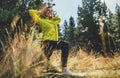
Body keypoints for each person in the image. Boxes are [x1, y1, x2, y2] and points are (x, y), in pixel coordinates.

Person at [29, 5, 70, 74]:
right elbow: (31, 12)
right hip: (46, 43)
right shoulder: (41, 21)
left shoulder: (54, 22)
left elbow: (58, 19)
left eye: (51, 11)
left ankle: (64, 70)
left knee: (65, 45)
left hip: (55, 42)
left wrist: (51, 15)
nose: (50, 12)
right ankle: (31, 68)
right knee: (43, 61)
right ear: (44, 12)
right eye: (48, 11)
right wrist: (41, 11)